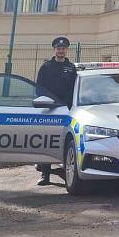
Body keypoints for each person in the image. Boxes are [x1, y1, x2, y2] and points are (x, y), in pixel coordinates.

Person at [35, 36, 77, 186]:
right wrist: (46, 101)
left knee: (64, 141)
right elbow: (39, 88)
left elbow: (74, 89)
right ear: (55, 50)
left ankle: (67, 172)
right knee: (47, 141)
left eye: (63, 48)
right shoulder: (46, 67)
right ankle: (45, 174)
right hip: (49, 109)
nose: (61, 51)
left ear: (66, 50)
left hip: (66, 109)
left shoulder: (71, 68)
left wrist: (69, 105)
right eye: (58, 48)